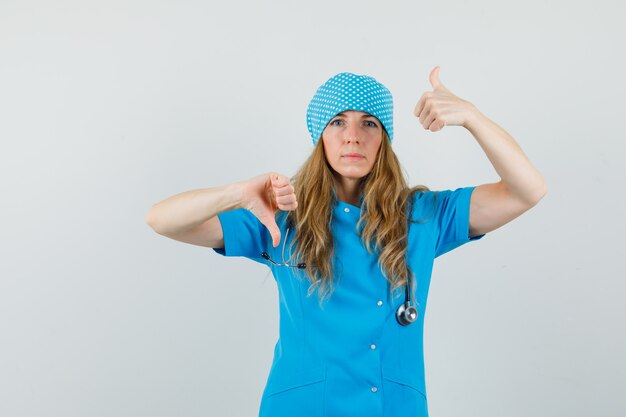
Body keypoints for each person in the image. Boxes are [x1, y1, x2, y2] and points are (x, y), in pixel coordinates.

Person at [145, 67, 547, 417]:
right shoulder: (282, 216)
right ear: (320, 136)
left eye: (369, 123)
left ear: (384, 139)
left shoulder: (424, 217)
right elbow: (161, 220)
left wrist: (472, 117)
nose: (352, 136)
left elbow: (527, 190)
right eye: (338, 121)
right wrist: (237, 193)